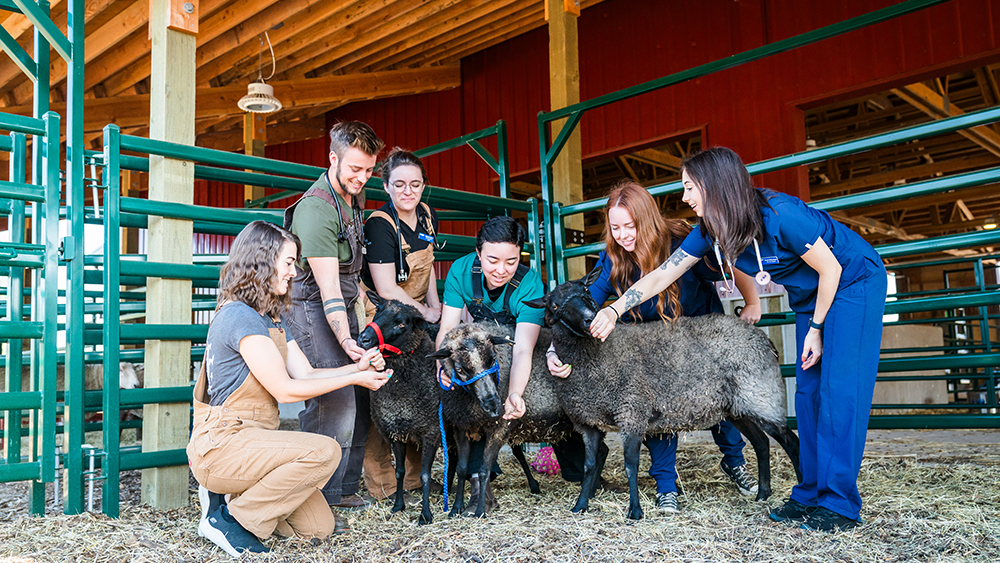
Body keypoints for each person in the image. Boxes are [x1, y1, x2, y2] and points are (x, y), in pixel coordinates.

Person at [590, 147, 887, 532]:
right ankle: (810, 493)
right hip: (811, 297)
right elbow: (662, 275)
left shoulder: (781, 215)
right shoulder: (710, 230)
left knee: (838, 393)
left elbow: (831, 268)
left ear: (713, 185)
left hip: (851, 284)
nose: (684, 197)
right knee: (809, 394)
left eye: (689, 187)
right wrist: (614, 310)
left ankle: (840, 503)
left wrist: (816, 328)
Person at [546, 179, 762, 513]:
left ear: (646, 219)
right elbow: (589, 305)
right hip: (653, 345)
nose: (623, 234)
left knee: (721, 404)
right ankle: (665, 485)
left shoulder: (681, 242)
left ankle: (734, 461)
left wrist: (752, 302)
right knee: (656, 413)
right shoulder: (613, 256)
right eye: (615, 227)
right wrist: (553, 349)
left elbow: (732, 266)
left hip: (697, 335)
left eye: (630, 225)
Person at [187, 221, 390, 557]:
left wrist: (359, 367)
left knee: (317, 528)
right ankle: (230, 519)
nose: (295, 272)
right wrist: (355, 379)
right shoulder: (240, 316)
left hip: (257, 442)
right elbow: (284, 390)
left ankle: (234, 495)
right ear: (262, 262)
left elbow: (307, 374)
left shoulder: (270, 319)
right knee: (324, 451)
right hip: (224, 443)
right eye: (289, 262)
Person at [283, 121, 385, 510]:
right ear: (332, 158)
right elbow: (327, 289)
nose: (362, 178)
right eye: (354, 169)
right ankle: (317, 501)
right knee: (334, 398)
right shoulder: (316, 209)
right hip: (312, 308)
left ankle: (343, 488)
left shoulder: (352, 197)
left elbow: (348, 277)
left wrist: (365, 302)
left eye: (369, 170)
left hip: (345, 304)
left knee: (360, 392)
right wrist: (346, 342)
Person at [437, 215, 544, 510]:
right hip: (481, 356)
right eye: (492, 260)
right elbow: (448, 331)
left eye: (511, 261)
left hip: (512, 352)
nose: (501, 270)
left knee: (543, 394)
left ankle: (576, 470)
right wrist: (442, 370)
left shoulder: (530, 283)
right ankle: (477, 480)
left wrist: (515, 393)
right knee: (467, 402)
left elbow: (523, 348)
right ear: (478, 252)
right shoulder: (460, 271)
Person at [360, 148, 442, 501]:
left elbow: (429, 267)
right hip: (385, 314)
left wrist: (436, 305)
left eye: (415, 184)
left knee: (419, 391)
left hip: (416, 312)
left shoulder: (427, 216)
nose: (408, 192)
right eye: (399, 185)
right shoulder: (380, 224)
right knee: (385, 392)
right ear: (386, 186)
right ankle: (382, 485)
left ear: (423, 186)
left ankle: (414, 479)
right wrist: (424, 313)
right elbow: (387, 289)